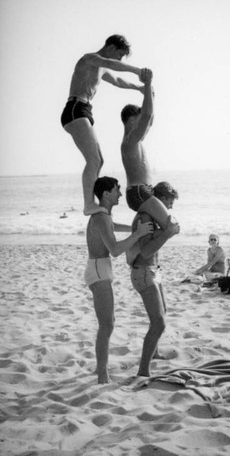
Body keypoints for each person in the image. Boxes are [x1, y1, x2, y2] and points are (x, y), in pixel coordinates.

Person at [61, 34, 146, 216]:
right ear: (111, 48)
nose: (119, 59)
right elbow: (114, 65)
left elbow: (117, 80)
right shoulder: (90, 59)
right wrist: (138, 71)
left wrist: (138, 88)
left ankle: (95, 202)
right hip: (75, 108)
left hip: (84, 110)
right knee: (94, 160)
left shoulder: (101, 67)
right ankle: (88, 205)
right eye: (120, 55)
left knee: (99, 160)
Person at [84, 176, 153, 384]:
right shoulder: (101, 217)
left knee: (108, 323)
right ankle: (102, 375)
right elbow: (114, 250)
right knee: (107, 325)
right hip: (98, 270)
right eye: (117, 190)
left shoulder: (104, 216)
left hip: (99, 269)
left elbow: (112, 226)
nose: (121, 194)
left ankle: (100, 369)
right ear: (106, 194)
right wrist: (138, 233)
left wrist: (134, 229)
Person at [129, 181, 180, 377]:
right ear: (160, 199)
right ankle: (143, 372)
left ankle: (155, 353)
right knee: (158, 323)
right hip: (143, 272)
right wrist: (166, 233)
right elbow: (146, 249)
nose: (170, 207)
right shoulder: (144, 217)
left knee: (162, 313)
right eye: (169, 202)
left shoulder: (151, 217)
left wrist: (165, 232)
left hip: (153, 271)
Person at [120, 68, 174, 231]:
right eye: (138, 119)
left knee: (156, 229)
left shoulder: (136, 141)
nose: (143, 123)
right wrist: (148, 84)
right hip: (138, 191)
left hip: (143, 192)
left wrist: (151, 94)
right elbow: (146, 116)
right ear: (131, 120)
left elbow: (149, 120)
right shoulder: (130, 141)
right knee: (170, 226)